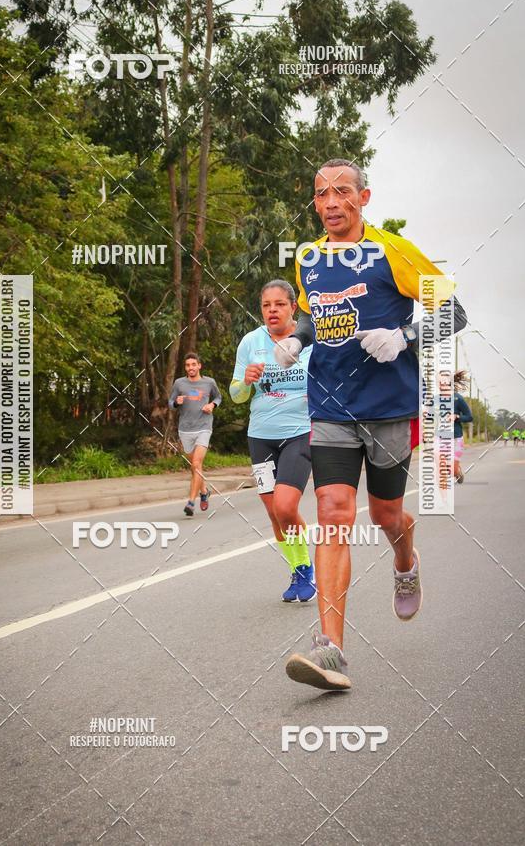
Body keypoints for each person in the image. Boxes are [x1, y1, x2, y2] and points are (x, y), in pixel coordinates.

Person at [274, 158, 467, 691]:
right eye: (320, 194)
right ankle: (330, 649)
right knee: (334, 511)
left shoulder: (391, 252)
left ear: (365, 197)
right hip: (330, 404)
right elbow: (318, 313)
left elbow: (455, 312)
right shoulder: (308, 257)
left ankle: (406, 558)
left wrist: (405, 338)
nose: (331, 203)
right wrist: (299, 336)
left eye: (342, 192)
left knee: (386, 514)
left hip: (388, 406)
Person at [230, 280, 315, 602]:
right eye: (266, 305)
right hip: (260, 437)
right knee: (273, 513)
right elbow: (236, 396)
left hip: (300, 432)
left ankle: (306, 567)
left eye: (279, 304)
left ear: (293, 307)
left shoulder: (307, 340)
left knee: (285, 506)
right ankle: (296, 572)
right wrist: (246, 382)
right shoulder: (251, 342)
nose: (272, 311)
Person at [169, 353, 221, 516]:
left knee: (196, 463)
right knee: (195, 468)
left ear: (199, 366)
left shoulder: (209, 382)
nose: (190, 367)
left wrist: (212, 405)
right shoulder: (179, 383)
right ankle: (204, 492)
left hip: (204, 427)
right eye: (187, 365)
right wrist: (176, 403)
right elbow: (170, 403)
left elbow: (218, 397)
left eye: (193, 364)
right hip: (185, 429)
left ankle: (191, 502)